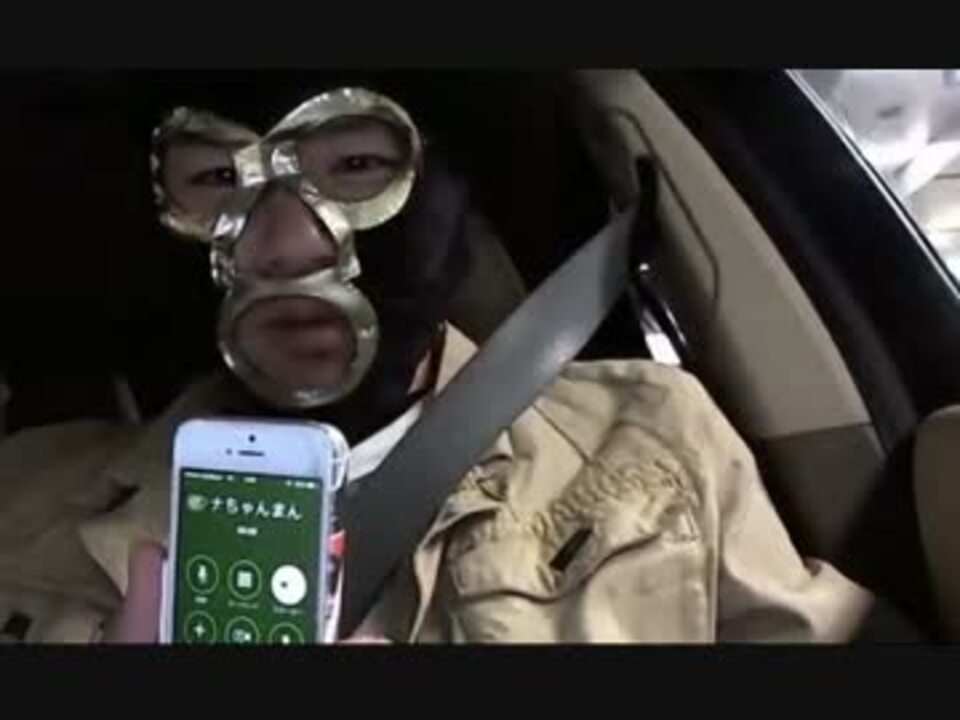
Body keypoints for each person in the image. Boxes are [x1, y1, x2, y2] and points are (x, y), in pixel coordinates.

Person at [0, 74, 872, 644]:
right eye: (219, 181)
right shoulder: (22, 498)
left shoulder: (647, 438)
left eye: (354, 165)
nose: (286, 245)